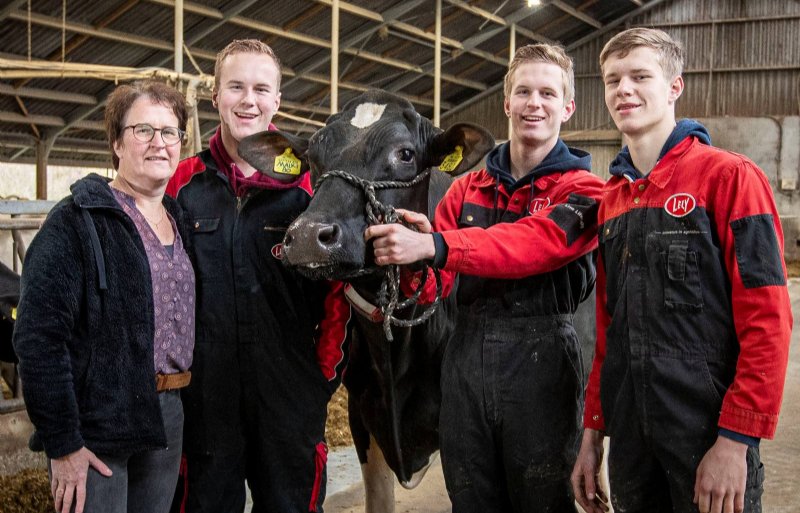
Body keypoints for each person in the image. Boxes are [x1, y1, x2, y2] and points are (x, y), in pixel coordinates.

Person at [365, 44, 605, 512]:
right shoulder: (466, 189)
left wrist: (435, 246)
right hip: (465, 360)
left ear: (568, 107)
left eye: (548, 94)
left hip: (543, 364)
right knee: (470, 496)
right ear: (506, 103)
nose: (534, 103)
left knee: (541, 499)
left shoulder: (585, 190)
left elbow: (534, 245)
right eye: (524, 92)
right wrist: (407, 269)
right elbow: (440, 286)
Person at [570, 27, 793, 513]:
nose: (623, 89)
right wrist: (593, 431)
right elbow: (608, 332)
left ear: (675, 87)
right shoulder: (612, 200)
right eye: (612, 80)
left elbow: (768, 320)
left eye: (639, 76)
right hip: (631, 439)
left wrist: (736, 441)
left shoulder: (730, 178)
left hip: (707, 435)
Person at [166, 39, 350, 513]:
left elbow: (338, 291)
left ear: (277, 101)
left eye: (261, 88)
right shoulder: (182, 183)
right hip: (206, 395)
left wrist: (322, 375)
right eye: (236, 87)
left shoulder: (310, 187)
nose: (249, 100)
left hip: (288, 391)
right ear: (215, 96)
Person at [13, 80, 194, 513]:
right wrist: (63, 444)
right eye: (143, 131)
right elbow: (38, 338)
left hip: (167, 410)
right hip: (98, 420)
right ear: (116, 142)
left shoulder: (180, 220)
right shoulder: (75, 221)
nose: (159, 143)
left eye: (170, 132)